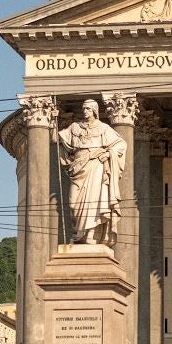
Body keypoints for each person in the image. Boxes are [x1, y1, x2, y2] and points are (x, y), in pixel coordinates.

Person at [57, 99, 127, 246]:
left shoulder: (104, 128)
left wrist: (108, 154)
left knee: (94, 203)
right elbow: (59, 138)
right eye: (83, 108)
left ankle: (90, 237)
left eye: (88, 109)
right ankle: (79, 234)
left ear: (94, 111)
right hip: (78, 168)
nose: (85, 111)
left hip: (95, 167)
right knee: (73, 204)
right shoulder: (75, 128)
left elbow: (121, 145)